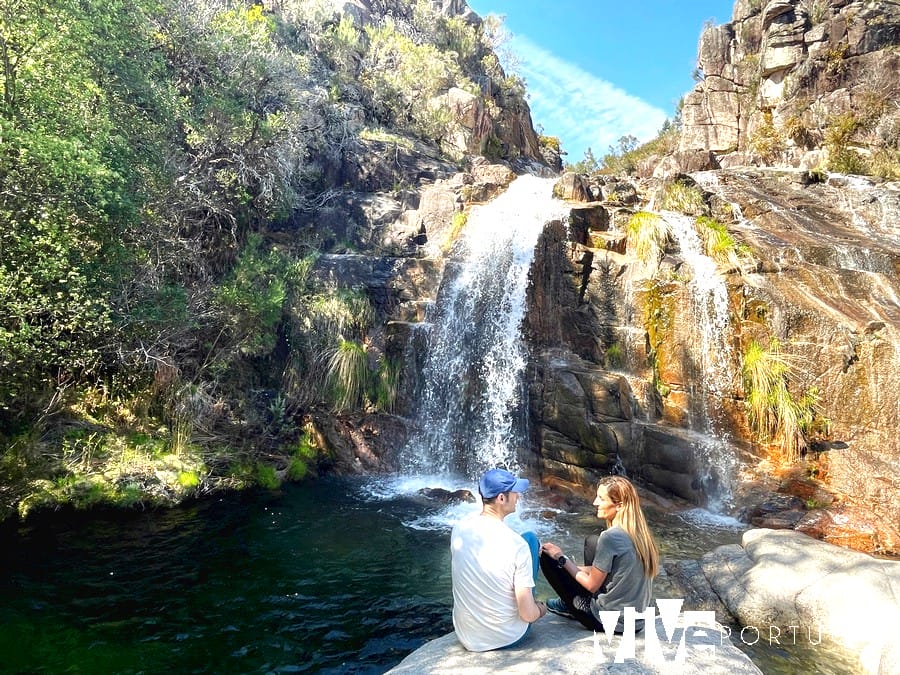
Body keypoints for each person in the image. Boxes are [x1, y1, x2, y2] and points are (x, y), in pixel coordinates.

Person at [539, 475, 659, 634]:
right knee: (592, 542)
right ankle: (573, 600)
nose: (595, 502)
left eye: (601, 499)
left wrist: (562, 558)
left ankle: (568, 605)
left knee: (547, 556)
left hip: (609, 622)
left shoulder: (611, 537)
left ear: (619, 505)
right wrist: (575, 568)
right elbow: (616, 569)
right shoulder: (641, 534)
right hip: (637, 622)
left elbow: (591, 585)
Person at [450, 468, 548, 651]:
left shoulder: (459, 529)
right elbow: (528, 615)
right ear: (501, 498)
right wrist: (541, 609)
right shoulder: (518, 545)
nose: (518, 496)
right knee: (531, 540)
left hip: (465, 635)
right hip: (505, 638)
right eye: (514, 492)